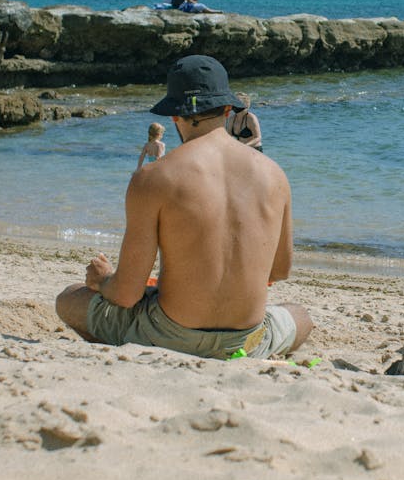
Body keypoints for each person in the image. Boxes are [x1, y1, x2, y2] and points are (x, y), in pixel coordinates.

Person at [55, 55, 313, 361]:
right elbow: (280, 270)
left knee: (68, 299)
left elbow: (126, 294)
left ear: (175, 115)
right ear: (228, 109)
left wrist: (103, 280)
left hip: (169, 336)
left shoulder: (153, 177)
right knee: (300, 315)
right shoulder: (274, 174)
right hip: (247, 340)